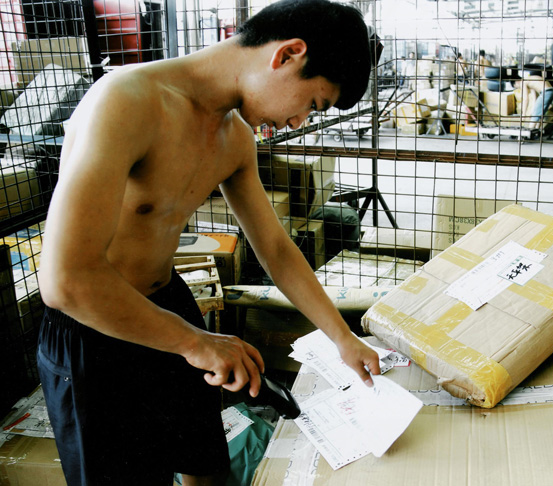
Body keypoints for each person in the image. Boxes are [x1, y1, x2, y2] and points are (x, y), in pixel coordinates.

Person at [36, 0, 381, 484]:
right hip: (94, 328)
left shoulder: (234, 138)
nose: (299, 121)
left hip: (169, 305)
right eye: (313, 104)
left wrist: (342, 337)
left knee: (206, 469)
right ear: (288, 55)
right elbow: (66, 281)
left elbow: (276, 249)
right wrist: (194, 342)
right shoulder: (127, 100)